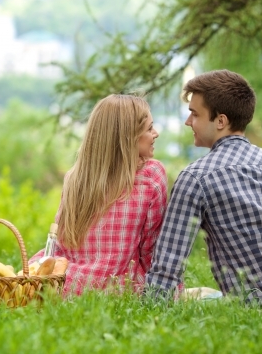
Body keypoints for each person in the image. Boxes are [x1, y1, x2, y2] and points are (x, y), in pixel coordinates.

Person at [145, 69, 262, 303]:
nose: (188, 121)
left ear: (221, 121)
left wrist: (150, 311)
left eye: (195, 114)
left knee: (201, 297)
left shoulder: (196, 177)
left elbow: (169, 263)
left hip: (257, 307)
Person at [30, 94, 167, 295]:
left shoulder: (75, 178)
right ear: (128, 136)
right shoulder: (151, 176)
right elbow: (151, 251)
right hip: (120, 290)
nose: (155, 133)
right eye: (149, 128)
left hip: (68, 285)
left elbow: (61, 244)